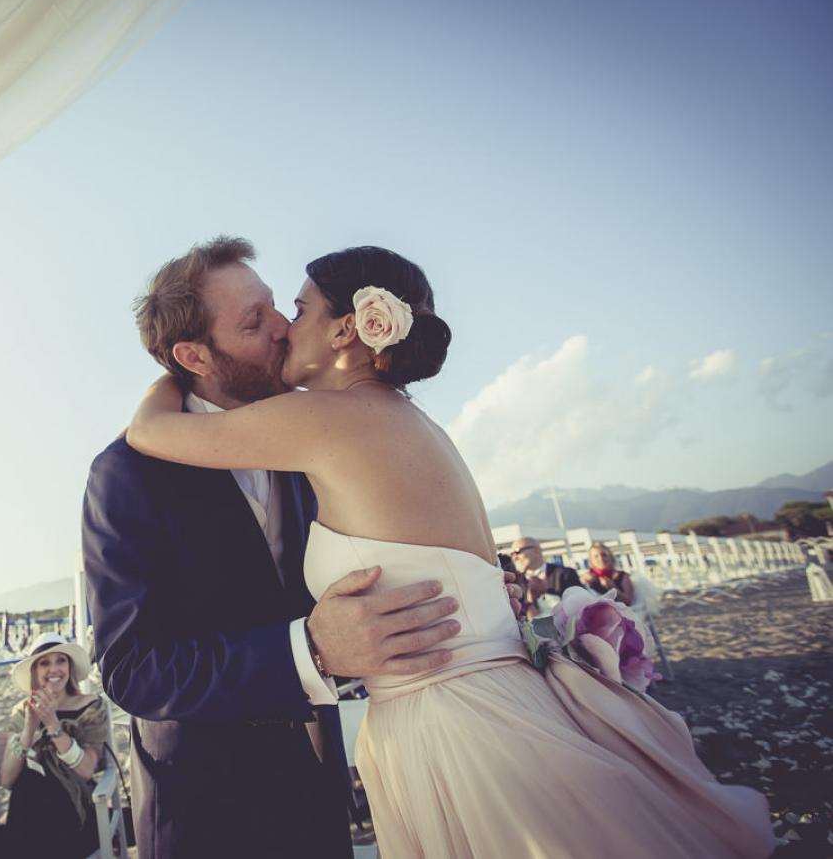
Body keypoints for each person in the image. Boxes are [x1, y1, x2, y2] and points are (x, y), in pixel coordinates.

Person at [125, 244, 774, 859]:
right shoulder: (401, 418)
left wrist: (171, 373)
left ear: (348, 330)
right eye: (265, 315)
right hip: (490, 701)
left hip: (454, 728)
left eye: (295, 309)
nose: (284, 329)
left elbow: (152, 433)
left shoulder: (328, 420)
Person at [82, 237, 524, 859]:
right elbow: (130, 668)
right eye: (255, 321)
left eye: (279, 306)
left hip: (323, 786)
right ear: (193, 355)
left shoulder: (314, 429)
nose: (285, 329)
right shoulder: (128, 473)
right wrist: (310, 650)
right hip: (208, 811)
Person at [0, 634, 108, 859]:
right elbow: (8, 779)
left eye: (61, 660)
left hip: (72, 816)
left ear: (70, 666)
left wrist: (53, 725)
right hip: (24, 819)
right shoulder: (22, 711)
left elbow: (87, 769)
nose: (54, 669)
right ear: (35, 671)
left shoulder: (91, 706)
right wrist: (29, 729)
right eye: (45, 663)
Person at [509, 536, 583, 618]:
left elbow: (580, 605)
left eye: (517, 552)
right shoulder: (515, 582)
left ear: (536, 551)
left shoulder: (566, 574)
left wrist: (548, 590)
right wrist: (529, 601)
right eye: (512, 554)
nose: (514, 558)